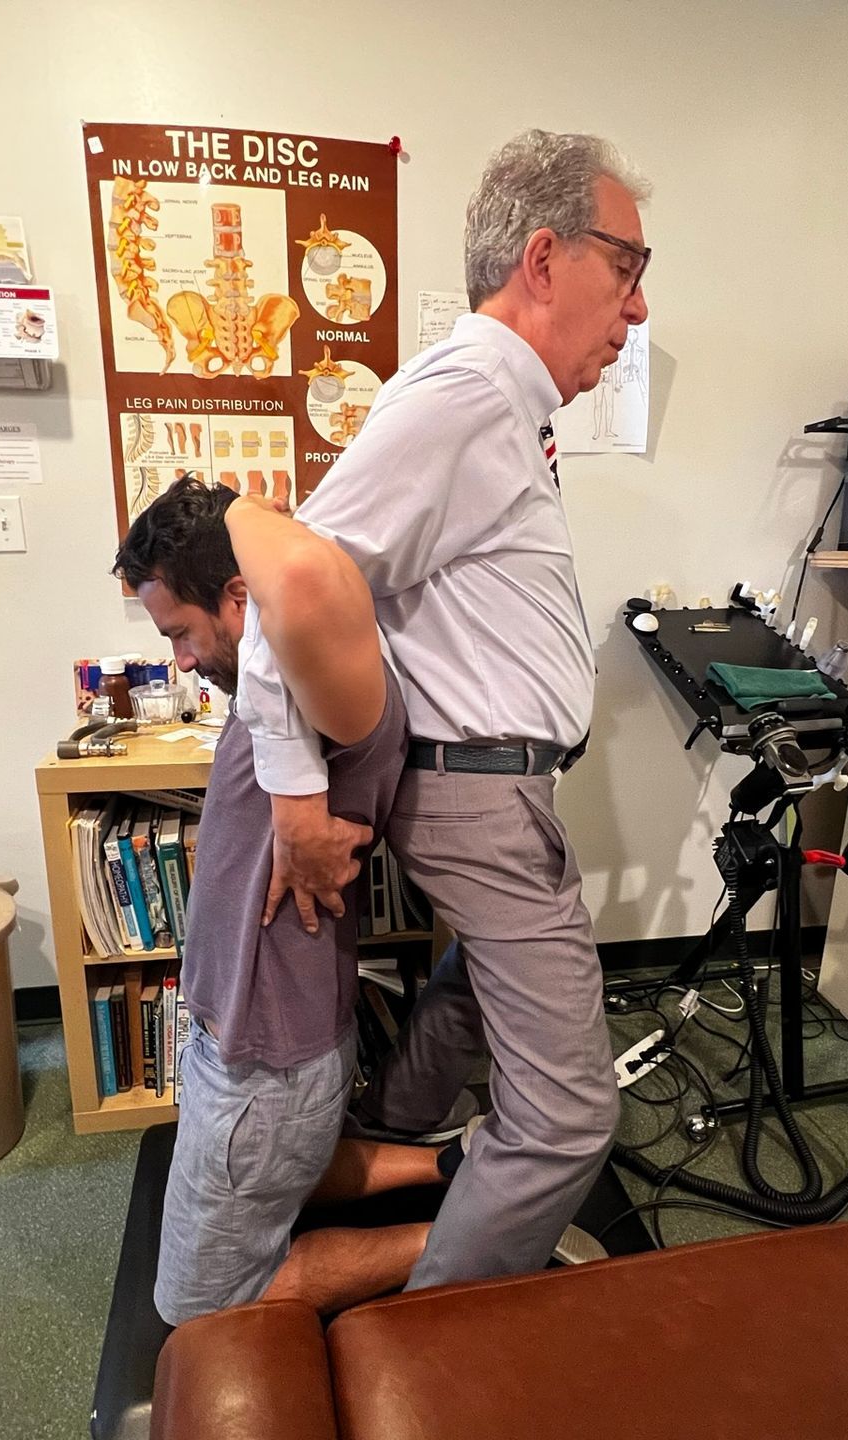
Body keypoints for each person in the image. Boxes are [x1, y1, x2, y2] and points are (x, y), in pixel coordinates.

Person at [237, 129, 652, 1287]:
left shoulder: (504, 406)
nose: (637, 308)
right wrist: (294, 796)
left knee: (477, 987)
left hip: (498, 789)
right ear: (543, 257)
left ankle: (375, 1148)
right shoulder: (470, 391)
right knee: (571, 1118)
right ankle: (430, 1339)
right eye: (627, 266)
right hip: (477, 794)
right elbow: (291, 591)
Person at [112, 478, 457, 1326]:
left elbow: (298, 577)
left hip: (263, 1069)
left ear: (242, 598)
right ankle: (453, 1166)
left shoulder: (333, 693)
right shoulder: (276, 702)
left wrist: (243, 515)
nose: (182, 659)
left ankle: (469, 1236)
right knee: (295, 1167)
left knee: (200, 1307)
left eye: (182, 633)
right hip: (253, 1047)